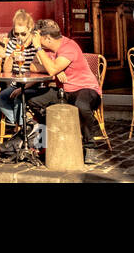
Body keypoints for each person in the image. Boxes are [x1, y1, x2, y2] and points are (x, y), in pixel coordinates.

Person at [25, 19, 102, 164]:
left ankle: (90, 146)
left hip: (86, 89)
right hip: (63, 91)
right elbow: (33, 67)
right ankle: (51, 137)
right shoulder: (48, 50)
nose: (36, 41)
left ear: (47, 38)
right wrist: (54, 68)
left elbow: (51, 69)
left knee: (81, 105)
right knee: (32, 100)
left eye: (38, 38)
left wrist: (51, 64)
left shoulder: (68, 46)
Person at [0, 10, 41, 128]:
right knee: (0, 99)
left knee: (18, 98)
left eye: (23, 34)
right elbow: (6, 71)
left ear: (30, 29)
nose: (19, 37)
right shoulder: (12, 43)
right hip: (16, 84)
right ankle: (23, 125)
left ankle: (22, 127)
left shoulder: (36, 45)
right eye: (16, 34)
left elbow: (41, 73)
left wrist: (23, 88)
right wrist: (10, 57)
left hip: (34, 85)